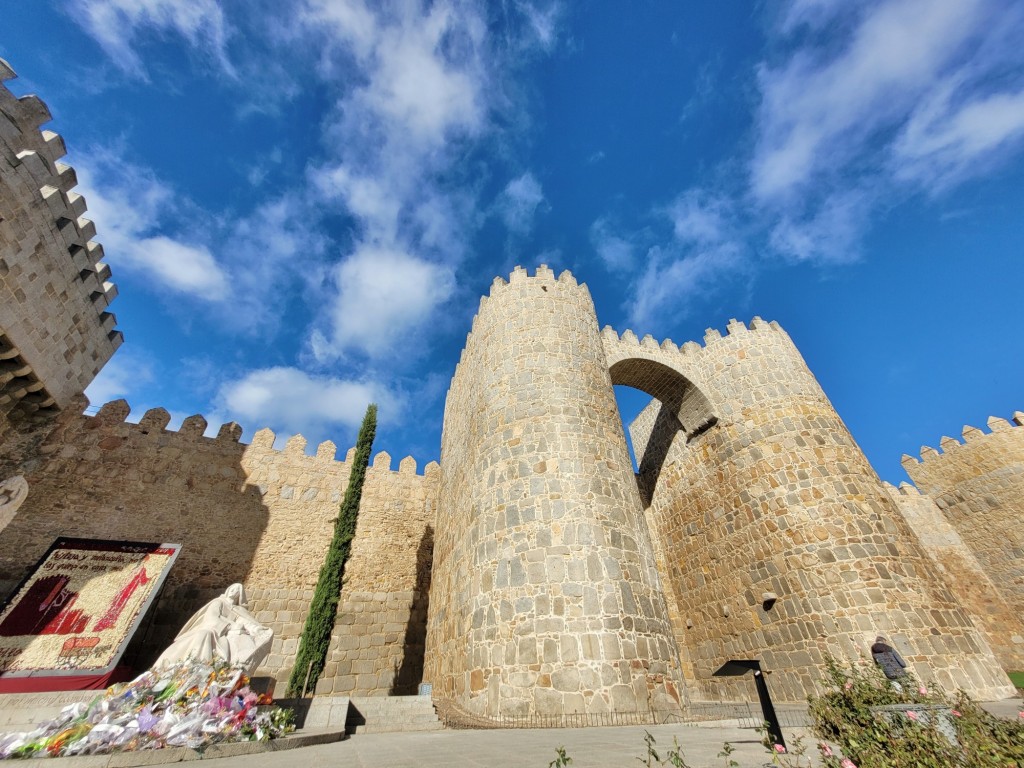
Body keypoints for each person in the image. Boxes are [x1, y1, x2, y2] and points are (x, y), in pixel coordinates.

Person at [154, 584, 273, 674]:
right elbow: (212, 618)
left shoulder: (239, 610)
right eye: (232, 588)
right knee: (205, 634)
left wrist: (258, 630)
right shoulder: (218, 602)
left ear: (240, 595)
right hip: (213, 630)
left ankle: (216, 671)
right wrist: (231, 626)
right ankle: (200, 668)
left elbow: (246, 622)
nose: (234, 591)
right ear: (227, 590)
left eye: (237, 590)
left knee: (242, 642)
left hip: (225, 635)